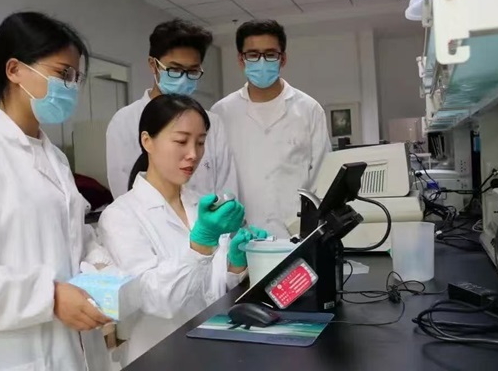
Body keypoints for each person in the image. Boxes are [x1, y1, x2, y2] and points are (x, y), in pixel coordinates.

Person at [0, 12, 114, 371]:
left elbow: (75, 234)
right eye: (63, 74)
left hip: (70, 347)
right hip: (4, 354)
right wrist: (49, 297)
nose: (71, 87)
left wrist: (101, 267)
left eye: (76, 78)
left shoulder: (55, 158)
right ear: (14, 70)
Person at [98, 94, 268, 365]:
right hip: (159, 357)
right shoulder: (120, 217)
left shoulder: (200, 205)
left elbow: (212, 293)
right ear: (147, 141)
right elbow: (155, 298)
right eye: (181, 141)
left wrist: (235, 266)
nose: (194, 154)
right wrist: (200, 245)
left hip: (213, 351)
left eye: (200, 142)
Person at [212, 20, 331, 240]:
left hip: (296, 237)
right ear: (241, 59)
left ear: (282, 58)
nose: (261, 61)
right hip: (238, 238)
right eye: (253, 55)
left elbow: (322, 178)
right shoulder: (221, 113)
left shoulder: (309, 109)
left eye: (270, 54)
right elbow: (214, 178)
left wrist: (311, 230)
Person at [106, 19, 238, 199]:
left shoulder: (212, 123)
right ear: (153, 65)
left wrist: (218, 215)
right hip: (149, 217)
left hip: (208, 216)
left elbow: (226, 186)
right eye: (175, 70)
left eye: (192, 71)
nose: (184, 79)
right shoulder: (125, 121)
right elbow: (124, 190)